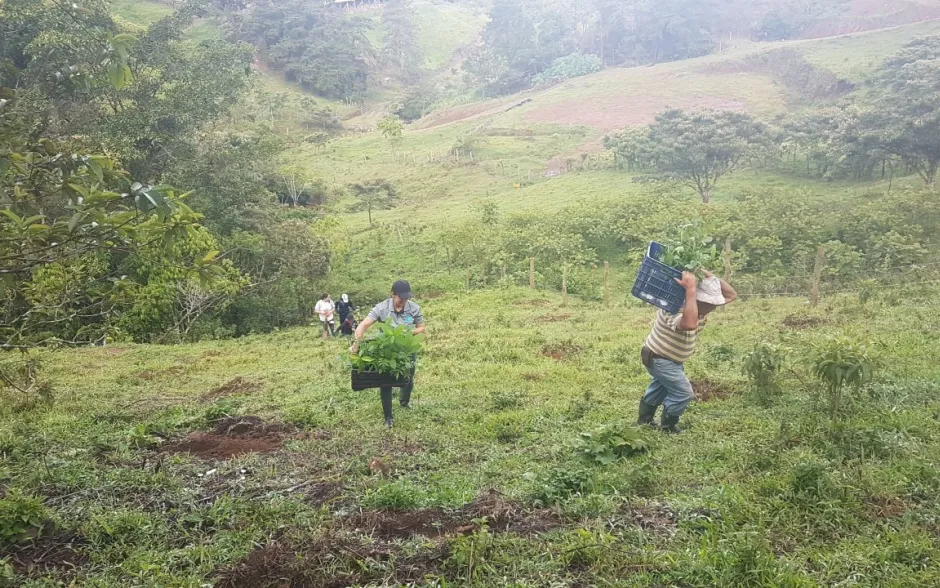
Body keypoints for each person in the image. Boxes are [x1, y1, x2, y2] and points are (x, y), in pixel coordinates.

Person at [638, 270, 737, 433]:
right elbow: (689, 324)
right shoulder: (674, 308)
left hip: (670, 360)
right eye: (709, 302)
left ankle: (644, 421)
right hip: (658, 358)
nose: (713, 307)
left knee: (660, 388)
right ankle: (667, 427)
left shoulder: (701, 310)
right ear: (696, 298)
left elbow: (731, 295)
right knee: (683, 393)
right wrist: (690, 289)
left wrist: (711, 278)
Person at [351, 280, 425, 428]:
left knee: (408, 377)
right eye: (400, 298)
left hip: (406, 349)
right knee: (385, 381)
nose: (403, 301)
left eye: (406, 298)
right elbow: (363, 325)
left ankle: (404, 402)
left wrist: (405, 333)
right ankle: (388, 417)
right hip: (387, 351)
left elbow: (421, 329)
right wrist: (356, 343)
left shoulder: (414, 308)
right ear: (393, 294)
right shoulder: (381, 308)